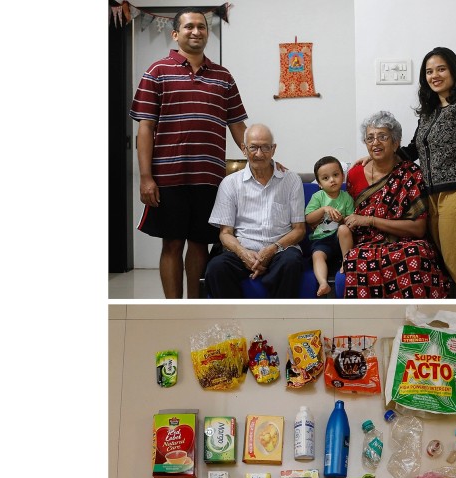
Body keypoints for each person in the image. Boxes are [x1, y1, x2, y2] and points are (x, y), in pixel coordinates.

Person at [130, 7, 248, 298]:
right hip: (168, 177)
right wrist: (146, 177)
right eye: (189, 27)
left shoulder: (223, 76)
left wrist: (261, 157)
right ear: (175, 34)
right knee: (171, 243)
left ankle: (194, 305)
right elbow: (145, 129)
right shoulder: (157, 71)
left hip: (209, 179)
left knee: (200, 243)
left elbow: (237, 125)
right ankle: (173, 307)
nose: (196, 31)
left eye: (202, 27)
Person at [402, 47, 456, 298]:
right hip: (433, 196)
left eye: (441, 69)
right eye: (429, 71)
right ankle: (453, 319)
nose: (435, 75)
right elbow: (412, 150)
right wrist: (377, 155)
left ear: (453, 71)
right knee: (441, 262)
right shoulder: (428, 113)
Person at [341, 111, 450, 299]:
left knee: (415, 254)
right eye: (370, 138)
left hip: (405, 241)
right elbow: (348, 216)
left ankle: (417, 321)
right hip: (366, 243)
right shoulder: (354, 174)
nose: (375, 142)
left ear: (396, 142)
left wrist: (370, 220)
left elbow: (418, 229)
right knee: (356, 258)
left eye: (382, 137)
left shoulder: (412, 174)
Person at [205, 124, 306, 298]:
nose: (259, 154)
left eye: (265, 147)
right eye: (253, 147)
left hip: (280, 249)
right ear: (244, 149)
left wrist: (272, 249)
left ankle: (280, 322)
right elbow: (225, 233)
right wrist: (243, 253)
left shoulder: (291, 180)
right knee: (216, 268)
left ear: (273, 149)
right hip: (242, 249)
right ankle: (234, 323)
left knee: (291, 262)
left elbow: (299, 229)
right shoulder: (230, 183)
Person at [304, 156, 354, 297]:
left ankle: (346, 262)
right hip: (321, 240)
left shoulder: (347, 197)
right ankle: (323, 283)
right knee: (317, 255)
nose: (332, 180)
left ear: (342, 176)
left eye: (336, 175)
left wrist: (342, 220)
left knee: (344, 229)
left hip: (340, 240)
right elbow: (308, 219)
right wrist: (323, 209)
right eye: (326, 178)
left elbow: (351, 222)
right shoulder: (318, 197)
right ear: (319, 183)